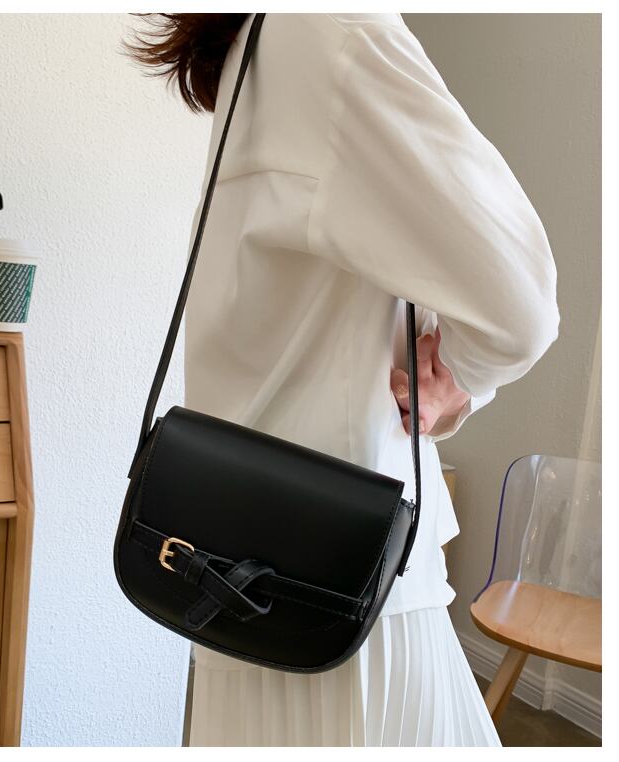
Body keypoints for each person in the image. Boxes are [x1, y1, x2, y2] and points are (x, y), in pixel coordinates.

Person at [126, 12, 560, 747]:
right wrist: (459, 377)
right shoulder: (332, 28)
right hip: (349, 600)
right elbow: (520, 306)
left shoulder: (268, 40)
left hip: (232, 576)